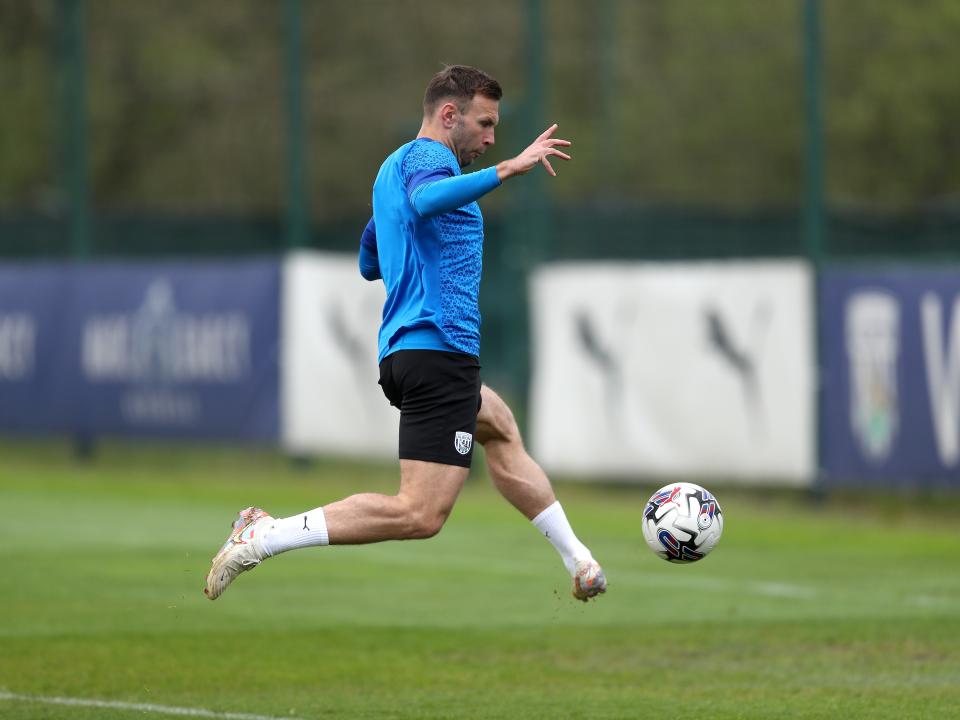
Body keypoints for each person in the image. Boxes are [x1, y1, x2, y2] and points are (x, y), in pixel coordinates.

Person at [204, 65, 606, 603]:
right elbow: (424, 202)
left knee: (500, 427)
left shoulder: (389, 170)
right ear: (449, 115)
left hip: (411, 352)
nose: (491, 138)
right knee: (420, 513)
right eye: (485, 124)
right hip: (438, 351)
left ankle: (579, 560)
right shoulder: (427, 160)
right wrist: (507, 170)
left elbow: (369, 258)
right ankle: (266, 535)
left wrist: (407, 251)